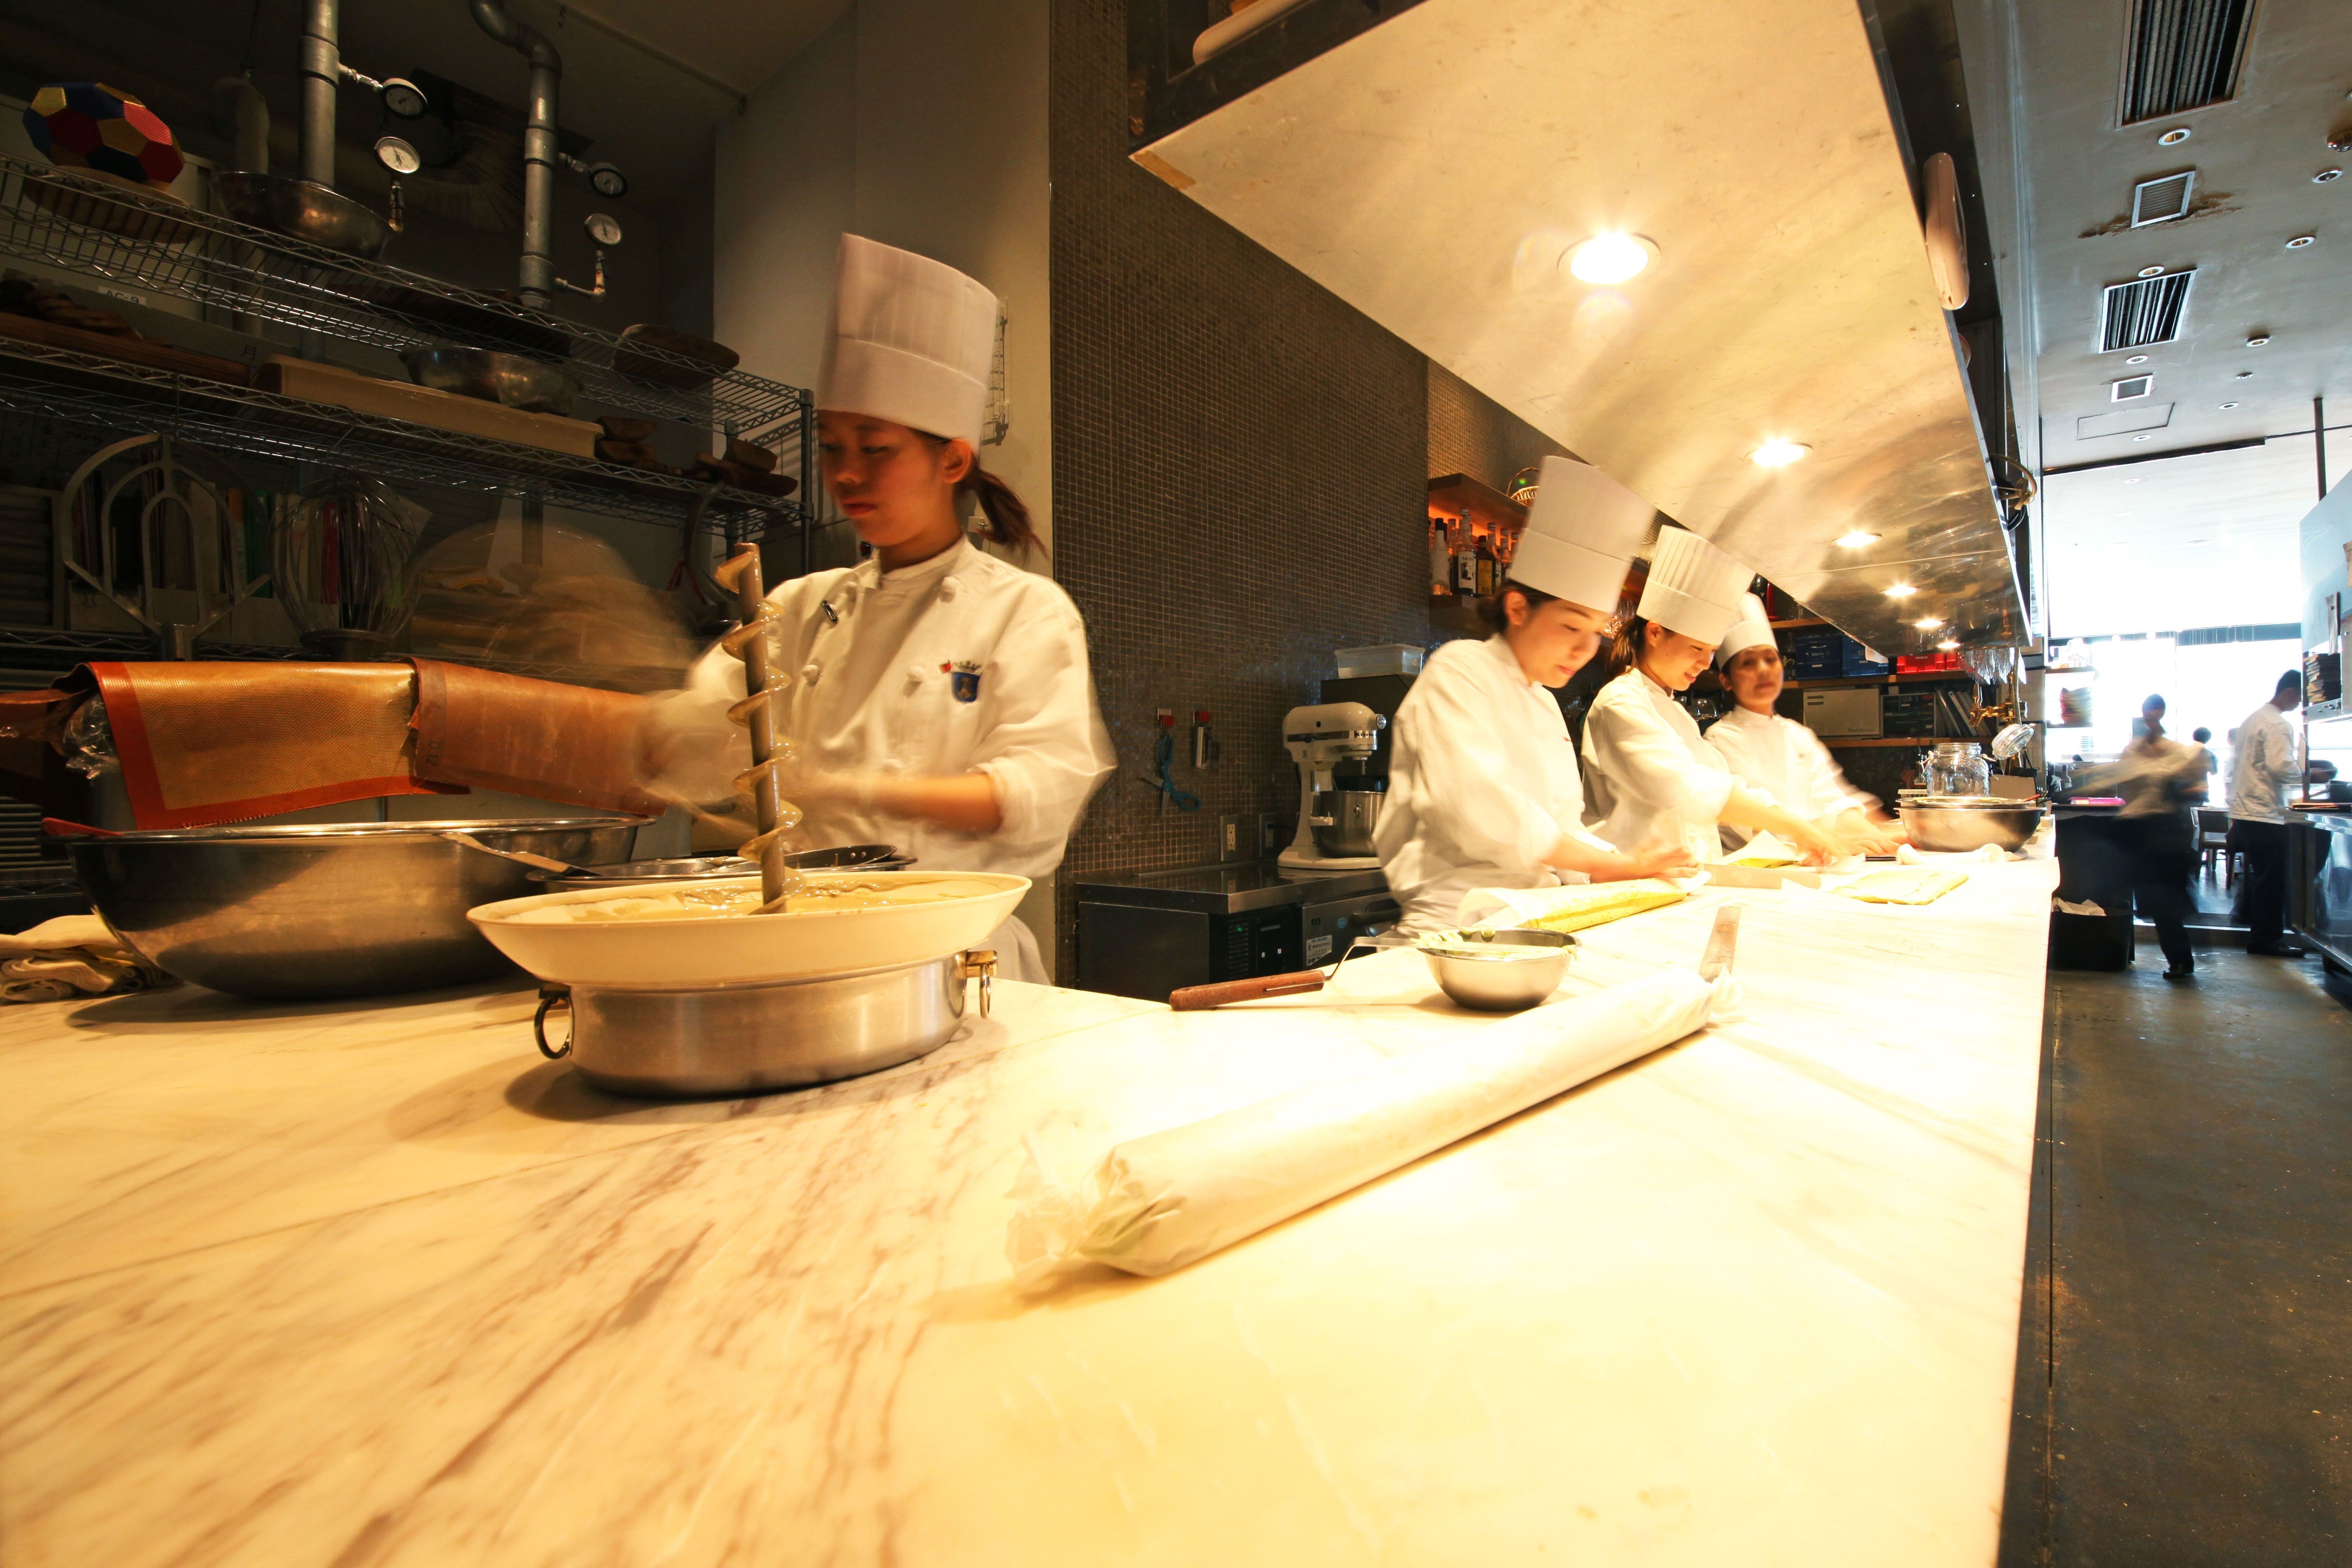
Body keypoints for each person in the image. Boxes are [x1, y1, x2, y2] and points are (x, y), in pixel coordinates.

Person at [660, 235, 1115, 981]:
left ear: (952, 460)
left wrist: (849, 788)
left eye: (875, 448)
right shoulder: (793, 607)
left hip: (955, 963)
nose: (845, 474)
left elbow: (1038, 794)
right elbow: (691, 730)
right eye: (832, 446)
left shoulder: (1024, 610)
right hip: (801, 955)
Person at [1377, 457, 1696, 936]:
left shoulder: (1545, 702)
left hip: (1537, 920)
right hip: (1454, 928)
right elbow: (1482, 810)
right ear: (1518, 608)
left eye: (1595, 632)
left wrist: (1630, 863)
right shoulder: (1459, 670)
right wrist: (1617, 866)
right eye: (1571, 626)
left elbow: (1563, 828)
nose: (1585, 650)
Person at [1582, 529, 1847, 865]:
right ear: (1655, 633)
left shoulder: (1674, 711)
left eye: (1712, 651)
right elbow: (1688, 789)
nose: (1706, 663)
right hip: (1632, 878)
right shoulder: (1620, 702)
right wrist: (1795, 827)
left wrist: (1802, 829)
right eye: (1697, 648)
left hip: (1684, 878)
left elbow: (1725, 785)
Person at [1703, 596, 1905, 855]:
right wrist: (1826, 840)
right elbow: (1752, 817)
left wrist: (1874, 834)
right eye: (1748, 663)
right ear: (1726, 681)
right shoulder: (1721, 739)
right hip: (1759, 866)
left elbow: (1831, 800)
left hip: (1813, 856)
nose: (1764, 670)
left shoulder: (1799, 735)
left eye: (1770, 659)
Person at [2081, 694, 2207, 980]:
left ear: (2161, 713)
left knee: (2161, 900)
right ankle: (2110, 953)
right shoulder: (2133, 750)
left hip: (2162, 830)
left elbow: (2197, 789)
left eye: (2155, 710)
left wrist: (2176, 788)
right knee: (2130, 892)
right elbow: (2122, 784)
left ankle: (2180, 960)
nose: (2151, 715)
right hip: (2136, 828)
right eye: (2148, 710)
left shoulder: (2176, 751)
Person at [2226, 670, 2305, 957]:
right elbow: (2280, 766)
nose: (2298, 705)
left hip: (2246, 811)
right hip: (2264, 813)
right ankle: (2266, 941)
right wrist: (2308, 775)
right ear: (2290, 692)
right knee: (2272, 881)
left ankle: (2262, 938)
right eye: (2299, 699)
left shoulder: (2253, 719)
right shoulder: (2277, 724)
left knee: (2262, 878)